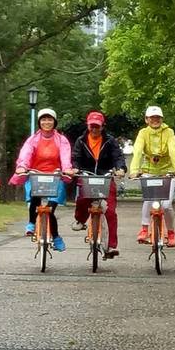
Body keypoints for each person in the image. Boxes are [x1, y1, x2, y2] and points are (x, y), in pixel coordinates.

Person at [9, 108, 74, 251]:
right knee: (34, 198)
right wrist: (22, 166)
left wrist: (67, 168)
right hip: (36, 175)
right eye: (43, 119)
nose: (47, 122)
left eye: (50, 119)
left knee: (49, 210)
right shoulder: (33, 139)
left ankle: (56, 237)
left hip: (55, 176)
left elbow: (65, 156)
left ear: (55, 122)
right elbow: (26, 154)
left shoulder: (61, 140)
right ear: (39, 122)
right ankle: (31, 223)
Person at [71, 111, 126, 259]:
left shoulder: (110, 141)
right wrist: (75, 168)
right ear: (87, 126)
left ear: (102, 126)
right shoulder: (81, 140)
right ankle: (80, 220)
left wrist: (120, 169)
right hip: (86, 175)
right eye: (92, 126)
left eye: (97, 126)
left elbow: (118, 157)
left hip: (106, 176)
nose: (94, 129)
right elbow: (75, 157)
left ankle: (112, 245)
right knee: (82, 200)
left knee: (110, 211)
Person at [129, 106, 175, 247]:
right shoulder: (143, 133)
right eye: (152, 118)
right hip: (149, 171)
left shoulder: (169, 132)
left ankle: (170, 232)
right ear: (146, 120)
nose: (155, 120)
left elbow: (173, 151)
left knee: (166, 205)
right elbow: (138, 151)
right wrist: (134, 170)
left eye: (158, 117)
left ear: (162, 119)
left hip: (168, 172)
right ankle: (144, 229)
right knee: (148, 200)